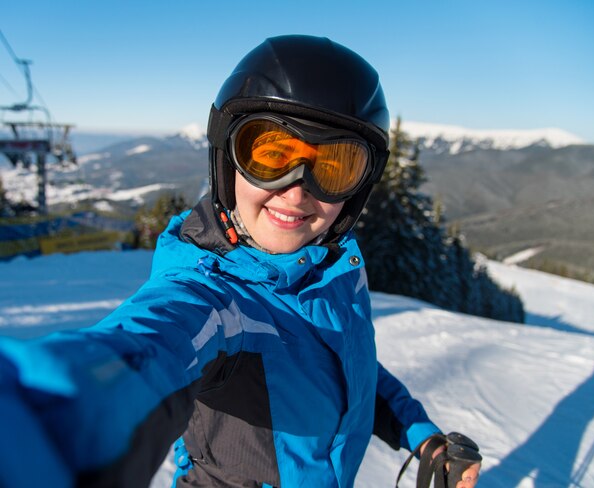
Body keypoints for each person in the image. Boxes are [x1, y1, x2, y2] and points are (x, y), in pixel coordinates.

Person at [0, 35, 480, 488]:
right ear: (228, 160)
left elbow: (352, 370)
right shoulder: (216, 302)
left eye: (334, 167)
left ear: (357, 189)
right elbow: (145, 350)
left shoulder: (331, 267)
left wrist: (420, 436)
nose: (296, 190)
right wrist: (40, 424)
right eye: (271, 155)